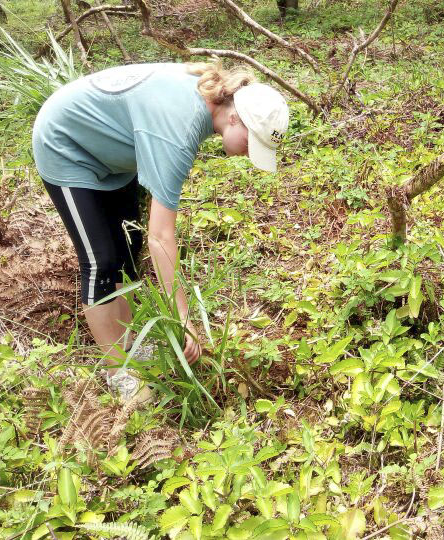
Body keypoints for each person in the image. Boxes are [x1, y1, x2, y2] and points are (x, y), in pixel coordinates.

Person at [32, 61, 289, 401]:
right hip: (66, 143)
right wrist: (183, 317)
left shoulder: (208, 101)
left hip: (113, 151)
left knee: (129, 244)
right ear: (234, 117)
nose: (249, 152)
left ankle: (129, 345)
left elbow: (149, 237)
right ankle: (117, 370)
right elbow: (162, 237)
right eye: (252, 141)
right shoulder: (179, 129)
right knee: (102, 260)